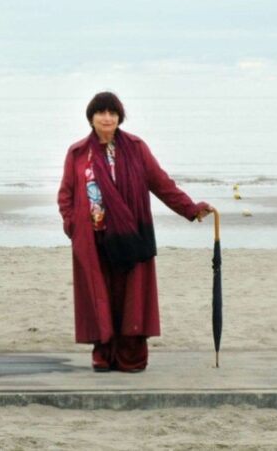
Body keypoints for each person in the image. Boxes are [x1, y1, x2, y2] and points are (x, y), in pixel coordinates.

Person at [58, 91, 214, 373]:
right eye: (101, 113)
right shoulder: (78, 153)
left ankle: (130, 355)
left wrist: (191, 209)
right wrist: (72, 226)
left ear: (120, 118)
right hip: (94, 237)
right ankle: (103, 352)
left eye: (113, 113)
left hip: (132, 235)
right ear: (91, 118)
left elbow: (161, 184)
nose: (107, 118)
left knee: (131, 298)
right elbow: (66, 195)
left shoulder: (136, 148)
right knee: (100, 295)